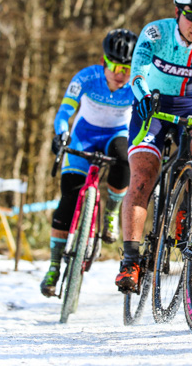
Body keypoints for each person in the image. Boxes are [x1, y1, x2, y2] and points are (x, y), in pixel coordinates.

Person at [114, 0, 192, 292]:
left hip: (190, 104)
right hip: (152, 102)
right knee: (143, 175)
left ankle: (186, 215)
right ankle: (130, 260)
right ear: (177, 10)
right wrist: (143, 94)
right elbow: (137, 71)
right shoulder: (155, 33)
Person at [40, 29, 138, 297]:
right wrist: (61, 135)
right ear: (104, 62)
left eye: (127, 68)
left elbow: (146, 118)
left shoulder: (137, 83)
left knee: (123, 157)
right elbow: (64, 112)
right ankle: (53, 266)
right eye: (116, 67)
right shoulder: (86, 77)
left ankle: (110, 214)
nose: (121, 74)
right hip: (83, 136)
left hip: (115, 135)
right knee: (69, 198)